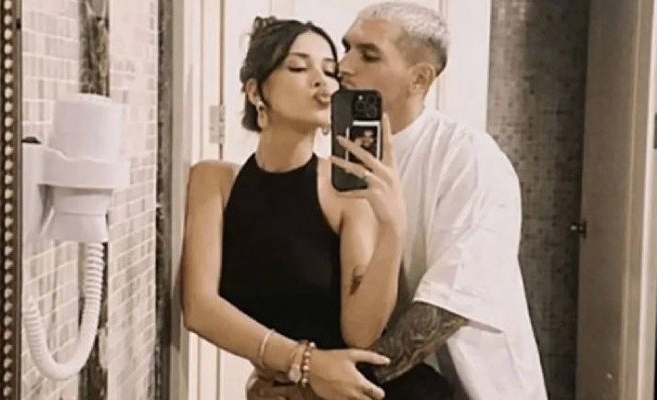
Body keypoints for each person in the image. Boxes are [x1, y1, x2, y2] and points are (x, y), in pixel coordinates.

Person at [257, 2, 549, 399]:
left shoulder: (468, 158)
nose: (344, 66)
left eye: (368, 55)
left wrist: (320, 387)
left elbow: (446, 308)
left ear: (419, 78)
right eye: (347, 48)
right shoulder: (334, 161)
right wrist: (291, 367)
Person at [180, 16, 451, 400]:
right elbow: (199, 308)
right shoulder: (214, 182)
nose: (323, 83)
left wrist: (393, 228)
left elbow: (360, 333)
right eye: (298, 67)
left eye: (329, 71)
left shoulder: (345, 193)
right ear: (256, 91)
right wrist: (304, 363)